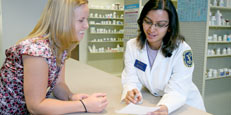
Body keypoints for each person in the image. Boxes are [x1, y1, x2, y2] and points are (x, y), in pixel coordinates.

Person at [0, 0, 108, 114]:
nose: (86, 25)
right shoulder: (37, 51)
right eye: (81, 20)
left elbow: (58, 84)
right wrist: (83, 105)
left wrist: (70, 96)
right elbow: (36, 106)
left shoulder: (61, 46)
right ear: (63, 21)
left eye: (87, 19)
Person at [121, 0, 206, 114]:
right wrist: (131, 91)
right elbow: (130, 77)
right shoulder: (132, 46)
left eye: (160, 24)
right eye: (148, 21)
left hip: (185, 106)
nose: (152, 29)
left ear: (170, 26)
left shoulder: (182, 50)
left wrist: (165, 107)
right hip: (156, 101)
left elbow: (177, 90)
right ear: (142, 20)